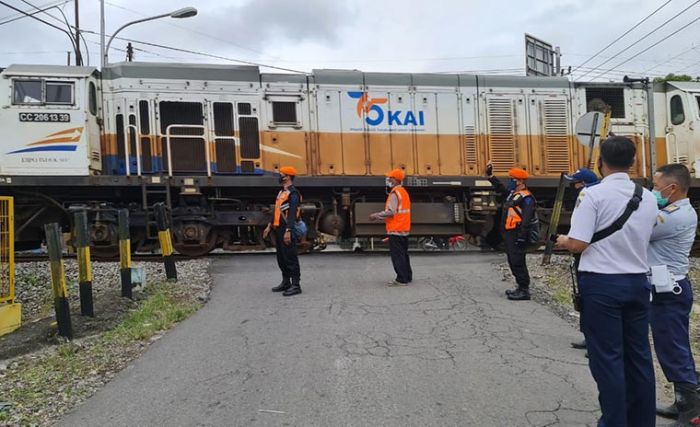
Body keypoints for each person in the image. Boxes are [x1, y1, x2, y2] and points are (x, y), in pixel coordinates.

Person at [555, 136, 658, 426]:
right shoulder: (647, 196)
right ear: (633, 162)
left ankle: (614, 422)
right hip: (638, 282)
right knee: (639, 358)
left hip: (602, 285)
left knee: (608, 359)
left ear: (600, 163)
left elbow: (578, 243)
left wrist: (563, 239)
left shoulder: (593, 195)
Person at [648, 163, 700, 425]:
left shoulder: (673, 216)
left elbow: (638, 232)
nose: (653, 191)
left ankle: (692, 412)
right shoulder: (672, 209)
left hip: (669, 291)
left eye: (656, 187)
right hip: (667, 289)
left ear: (673, 187)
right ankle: (685, 404)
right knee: (674, 347)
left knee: (673, 349)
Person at [486, 161, 536, 301]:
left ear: (520, 181)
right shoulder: (513, 194)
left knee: (518, 261)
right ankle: (520, 287)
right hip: (509, 233)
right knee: (512, 261)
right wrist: (491, 176)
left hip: (517, 233)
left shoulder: (526, 198)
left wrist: (521, 236)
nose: (510, 182)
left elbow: (526, 219)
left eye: (512, 180)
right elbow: (501, 188)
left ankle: (524, 290)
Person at [564, 167, 600, 352]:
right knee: (586, 298)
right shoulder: (591, 195)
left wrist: (567, 242)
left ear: (583, 183)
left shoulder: (588, 197)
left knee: (590, 299)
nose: (574, 185)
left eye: (576, 182)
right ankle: (589, 338)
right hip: (587, 256)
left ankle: (594, 342)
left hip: (588, 256)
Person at [263, 166, 302, 297]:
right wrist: (269, 225)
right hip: (279, 228)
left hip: (287, 229)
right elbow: (277, 210)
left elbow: (291, 214)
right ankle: (286, 282)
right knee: (281, 257)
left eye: (281, 174)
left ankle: (296, 285)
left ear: (288, 177)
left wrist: (288, 230)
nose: (279, 176)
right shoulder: (281, 193)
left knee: (290, 257)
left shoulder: (293, 193)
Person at [369, 168, 412, 286]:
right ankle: (407, 276)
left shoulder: (395, 193)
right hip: (404, 228)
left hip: (396, 229)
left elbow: (391, 212)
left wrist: (376, 215)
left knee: (397, 255)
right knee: (404, 253)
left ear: (395, 179)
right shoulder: (403, 192)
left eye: (390, 177)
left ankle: (401, 279)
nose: (388, 179)